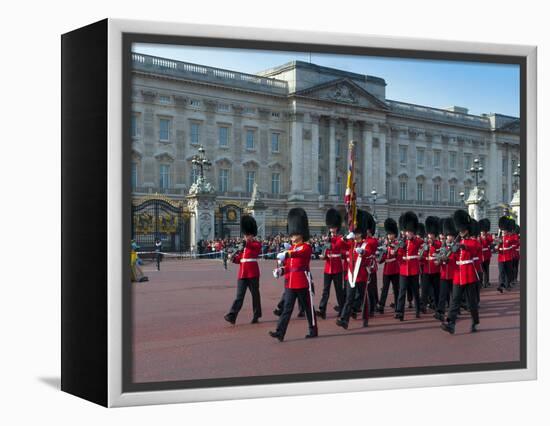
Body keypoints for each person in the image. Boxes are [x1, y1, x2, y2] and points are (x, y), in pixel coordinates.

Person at [269, 208, 317, 341]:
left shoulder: (306, 247)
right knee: (287, 309)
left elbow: (299, 254)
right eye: (291, 234)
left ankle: (313, 329)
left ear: (301, 233)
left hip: (302, 281)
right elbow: (289, 266)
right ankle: (280, 332)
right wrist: (280, 271)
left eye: (294, 234)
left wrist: (287, 254)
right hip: (290, 282)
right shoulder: (291, 248)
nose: (292, 237)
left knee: (308, 308)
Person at [441, 210, 481, 334]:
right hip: (458, 275)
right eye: (460, 230)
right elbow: (454, 258)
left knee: (472, 302)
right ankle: (451, 323)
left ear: (467, 230)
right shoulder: (456, 243)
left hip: (469, 275)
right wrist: (446, 258)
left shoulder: (473, 242)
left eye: (462, 230)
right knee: (455, 300)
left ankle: (475, 321)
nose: (461, 232)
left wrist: (464, 247)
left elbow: (474, 250)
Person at [336, 210, 376, 329]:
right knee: (349, 298)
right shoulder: (350, 243)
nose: (356, 235)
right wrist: (344, 238)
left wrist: (362, 251)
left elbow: (369, 250)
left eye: (358, 233)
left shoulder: (367, 243)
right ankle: (344, 320)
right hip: (351, 275)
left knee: (364, 299)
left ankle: (365, 318)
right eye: (355, 232)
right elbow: (338, 245)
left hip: (362, 274)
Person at [224, 215, 262, 325]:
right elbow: (241, 259)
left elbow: (253, 248)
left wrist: (246, 244)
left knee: (255, 295)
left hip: (252, 273)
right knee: (239, 296)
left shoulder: (255, 244)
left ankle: (257, 314)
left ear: (252, 234)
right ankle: (232, 315)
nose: (246, 237)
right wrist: (233, 258)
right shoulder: (244, 246)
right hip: (242, 273)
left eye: (247, 235)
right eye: (245, 235)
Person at [316, 208, 345, 319]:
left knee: (339, 290)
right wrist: (323, 256)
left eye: (332, 227)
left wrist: (330, 240)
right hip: (328, 267)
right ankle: (322, 309)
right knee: (325, 290)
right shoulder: (328, 239)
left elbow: (338, 246)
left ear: (336, 227)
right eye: (330, 227)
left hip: (337, 267)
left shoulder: (340, 238)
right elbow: (326, 251)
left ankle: (342, 309)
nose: (331, 229)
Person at [395, 211, 423, 321]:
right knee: (402, 292)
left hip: (414, 270)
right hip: (403, 270)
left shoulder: (417, 241)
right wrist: (398, 250)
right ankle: (400, 312)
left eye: (410, 231)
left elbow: (422, 247)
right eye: (407, 231)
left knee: (416, 291)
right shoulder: (402, 242)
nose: (408, 233)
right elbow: (398, 257)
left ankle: (417, 310)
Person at [434, 217, 458, 321]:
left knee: (453, 296)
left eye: (451, 236)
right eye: (447, 235)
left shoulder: (456, 247)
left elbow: (455, 259)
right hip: (444, 274)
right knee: (442, 295)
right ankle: (440, 312)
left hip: (453, 274)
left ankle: (454, 313)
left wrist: (447, 259)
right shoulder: (443, 246)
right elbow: (440, 257)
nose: (449, 237)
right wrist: (438, 261)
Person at [376, 218, 401, 314]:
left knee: (396, 289)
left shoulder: (397, 244)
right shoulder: (385, 245)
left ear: (394, 234)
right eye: (388, 234)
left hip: (395, 269)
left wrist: (394, 250)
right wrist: (380, 258)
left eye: (391, 234)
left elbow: (399, 256)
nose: (389, 236)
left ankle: (397, 305)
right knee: (385, 288)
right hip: (387, 270)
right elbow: (382, 259)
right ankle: (381, 305)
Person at [421, 216, 441, 312]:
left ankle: (437, 305)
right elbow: (422, 255)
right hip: (426, 269)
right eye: (429, 233)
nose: (430, 235)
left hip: (435, 270)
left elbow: (438, 249)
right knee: (424, 289)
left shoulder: (438, 243)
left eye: (431, 234)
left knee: (437, 289)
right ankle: (423, 306)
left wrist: (432, 244)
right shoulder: (425, 244)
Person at [497, 216, 517, 293]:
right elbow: (495, 248)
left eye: (504, 231)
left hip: (508, 257)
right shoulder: (499, 238)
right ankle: (500, 285)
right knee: (501, 271)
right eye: (502, 231)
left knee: (508, 272)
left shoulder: (510, 237)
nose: (503, 232)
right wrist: (496, 245)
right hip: (501, 257)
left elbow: (515, 242)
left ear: (507, 231)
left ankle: (507, 284)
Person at [479, 219, 493, 288]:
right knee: (481, 270)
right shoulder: (478, 237)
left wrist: (484, 239)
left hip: (487, 255)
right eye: (482, 231)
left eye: (484, 231)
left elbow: (490, 241)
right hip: (480, 255)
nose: (483, 232)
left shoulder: (488, 236)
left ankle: (486, 282)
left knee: (486, 269)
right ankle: (481, 282)